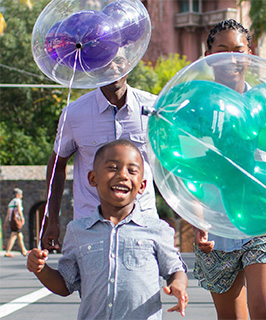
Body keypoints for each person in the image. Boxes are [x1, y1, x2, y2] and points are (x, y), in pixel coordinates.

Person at [191, 19, 266, 320]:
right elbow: (190, 172)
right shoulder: (197, 110)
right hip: (216, 225)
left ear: (251, 52)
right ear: (208, 56)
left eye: (239, 50)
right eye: (222, 50)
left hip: (264, 219)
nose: (232, 58)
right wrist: (198, 221)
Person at [27, 139, 188, 319]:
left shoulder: (156, 229)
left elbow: (175, 270)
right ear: (93, 178)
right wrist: (40, 269)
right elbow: (65, 285)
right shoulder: (77, 231)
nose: (123, 175)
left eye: (132, 170)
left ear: (142, 185)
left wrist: (178, 285)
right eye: (112, 167)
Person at [42, 62, 158, 251]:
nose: (112, 66)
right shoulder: (74, 114)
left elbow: (174, 162)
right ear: (94, 66)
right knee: (86, 281)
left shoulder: (154, 108)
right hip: (90, 226)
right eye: (105, 60)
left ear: (129, 62)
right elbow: (57, 165)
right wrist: (52, 220)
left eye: (119, 60)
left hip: (142, 223)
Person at [4, 188, 28, 257]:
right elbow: (19, 210)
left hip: (12, 221)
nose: (21, 196)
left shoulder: (11, 202)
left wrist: (6, 223)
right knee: (14, 235)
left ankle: (24, 250)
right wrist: (22, 218)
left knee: (19, 235)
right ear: (17, 195)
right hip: (17, 220)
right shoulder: (18, 201)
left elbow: (8, 214)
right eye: (21, 195)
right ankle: (7, 251)